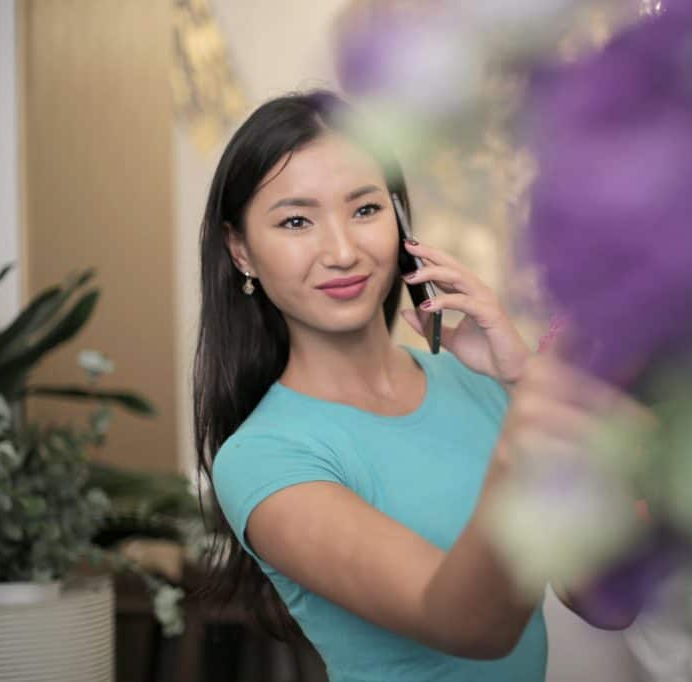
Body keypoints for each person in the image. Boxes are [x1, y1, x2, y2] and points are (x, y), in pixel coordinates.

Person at [193, 90, 639, 682]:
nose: (343, 251)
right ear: (240, 249)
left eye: (365, 209)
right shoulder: (263, 459)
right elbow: (470, 627)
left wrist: (524, 375)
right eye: (297, 221)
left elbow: (607, 599)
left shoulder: (481, 386)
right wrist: (527, 425)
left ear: (401, 219)